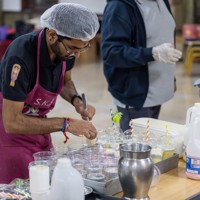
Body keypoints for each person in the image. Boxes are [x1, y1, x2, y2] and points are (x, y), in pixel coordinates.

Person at [0, 3, 99, 184]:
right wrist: (66, 124)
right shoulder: (21, 56)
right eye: (73, 49)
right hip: (9, 138)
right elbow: (12, 122)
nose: (76, 56)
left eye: (82, 48)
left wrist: (76, 101)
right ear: (52, 35)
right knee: (21, 190)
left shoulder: (65, 52)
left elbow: (65, 82)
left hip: (38, 131)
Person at [101, 0, 182, 131]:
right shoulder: (119, 6)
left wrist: (171, 78)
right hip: (135, 96)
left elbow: (164, 38)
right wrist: (152, 53)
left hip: (157, 90)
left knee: (151, 143)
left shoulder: (162, 1)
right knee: (137, 148)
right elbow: (111, 52)